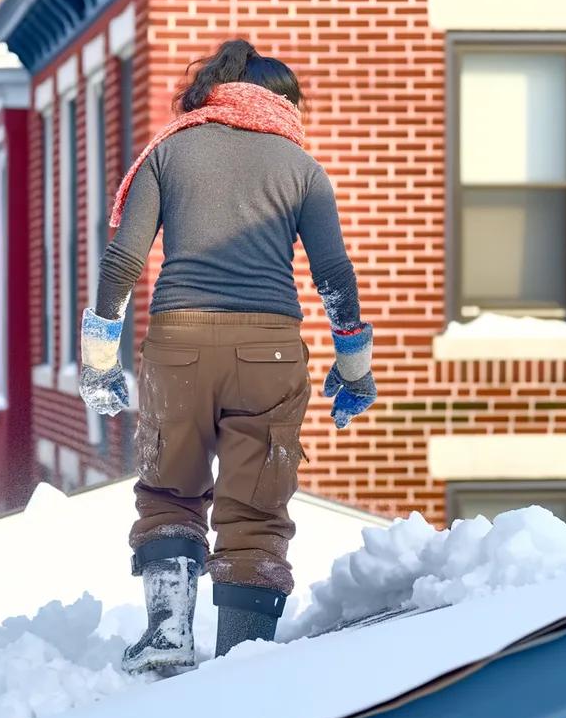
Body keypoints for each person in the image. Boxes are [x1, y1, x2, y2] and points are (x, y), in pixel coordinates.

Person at [78, 39, 376, 674]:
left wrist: (100, 355)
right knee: (256, 508)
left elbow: (122, 260)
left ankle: (167, 635)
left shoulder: (170, 150)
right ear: (280, 101)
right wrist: (354, 366)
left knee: (170, 489)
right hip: (268, 351)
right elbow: (334, 275)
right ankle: (242, 663)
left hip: (178, 344)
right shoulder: (302, 168)